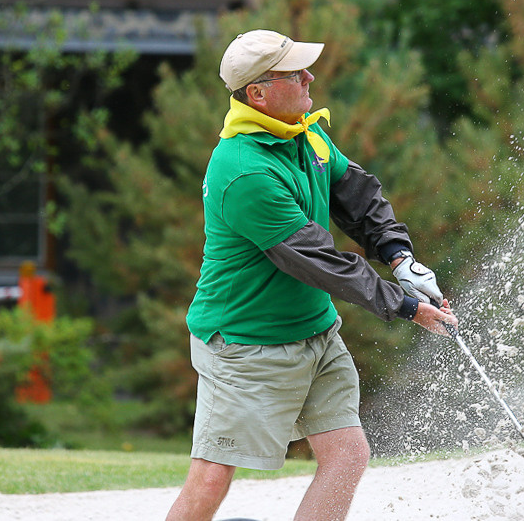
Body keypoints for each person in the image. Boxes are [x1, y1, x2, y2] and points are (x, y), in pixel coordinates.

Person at [166, 29, 458, 521]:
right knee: (212, 479)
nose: (310, 76)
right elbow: (318, 260)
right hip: (244, 344)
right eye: (294, 72)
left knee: (348, 455)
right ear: (257, 93)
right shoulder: (244, 170)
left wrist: (400, 257)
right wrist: (404, 305)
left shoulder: (304, 132)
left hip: (315, 334)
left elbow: (357, 196)